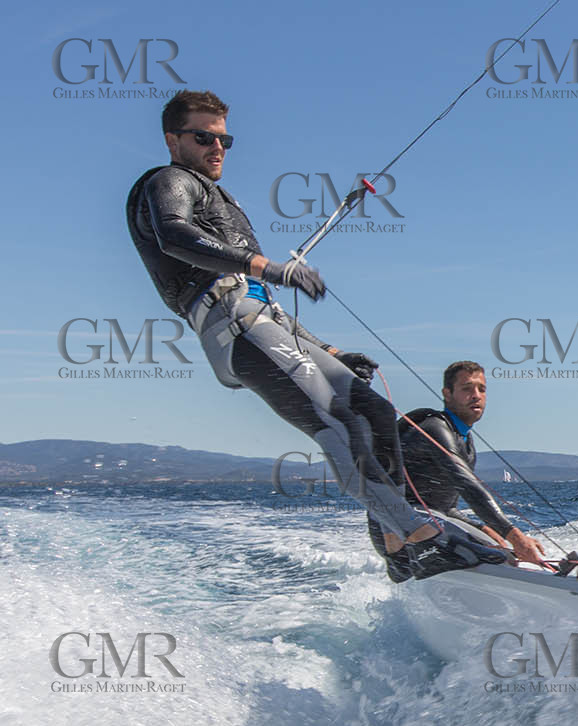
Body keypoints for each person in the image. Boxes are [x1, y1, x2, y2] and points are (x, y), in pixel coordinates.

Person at [126, 89, 505, 579]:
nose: (217, 148)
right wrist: (270, 267)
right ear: (173, 140)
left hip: (267, 320)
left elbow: (261, 298)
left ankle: (395, 542)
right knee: (338, 421)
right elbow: (174, 237)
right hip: (232, 327)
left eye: (225, 140)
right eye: (204, 138)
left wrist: (330, 351)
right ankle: (422, 537)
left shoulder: (222, 198)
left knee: (377, 414)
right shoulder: (168, 180)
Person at [367, 360, 552, 580]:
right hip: (397, 532)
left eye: (481, 389)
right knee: (494, 554)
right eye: (467, 388)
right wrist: (517, 537)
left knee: (500, 549)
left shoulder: (463, 439)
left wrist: (481, 528)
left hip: (432, 521)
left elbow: (445, 506)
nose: (476, 395)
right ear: (447, 394)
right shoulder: (433, 429)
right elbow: (467, 485)